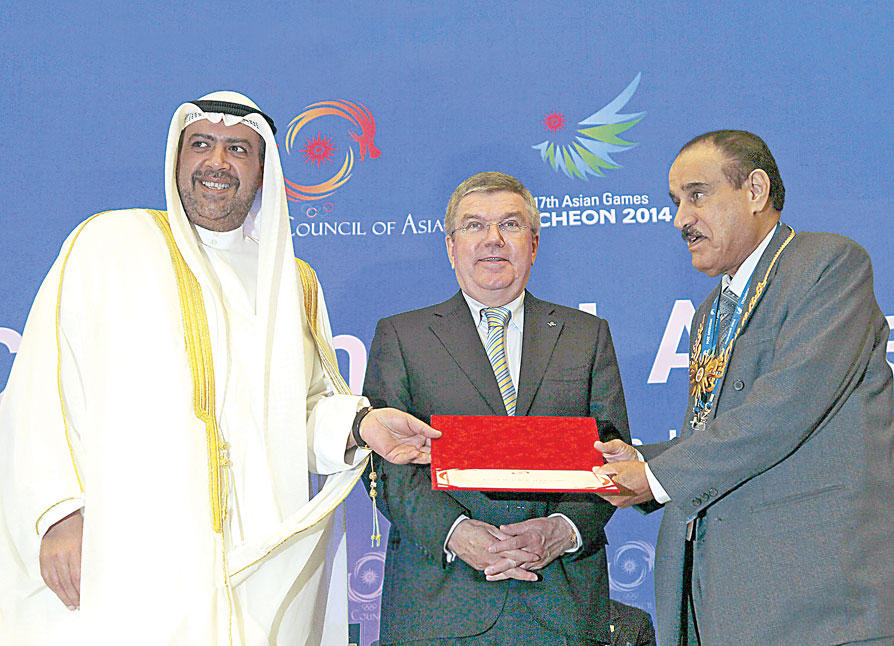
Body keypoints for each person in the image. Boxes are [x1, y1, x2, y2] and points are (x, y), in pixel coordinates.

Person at [0, 91, 439, 645]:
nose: (217, 162)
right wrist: (58, 513)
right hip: (126, 548)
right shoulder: (109, 245)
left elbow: (299, 415)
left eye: (238, 149)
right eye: (201, 144)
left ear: (262, 172)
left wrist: (361, 425)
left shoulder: (290, 281)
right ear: (177, 157)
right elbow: (41, 388)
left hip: (254, 559)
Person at [592, 130, 894, 645]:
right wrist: (642, 460)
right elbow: (716, 428)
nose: (680, 219)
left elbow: (785, 409)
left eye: (697, 195)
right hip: (722, 602)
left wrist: (656, 478)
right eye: (676, 201)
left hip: (819, 604)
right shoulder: (711, 312)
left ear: (755, 190)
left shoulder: (827, 265)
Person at [363, 171, 630, 645]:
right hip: (441, 605)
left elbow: (613, 455)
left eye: (510, 224)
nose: (493, 239)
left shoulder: (586, 335)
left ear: (534, 243)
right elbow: (387, 468)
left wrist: (562, 529)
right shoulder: (402, 337)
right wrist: (457, 533)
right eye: (474, 225)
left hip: (562, 602)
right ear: (450, 247)